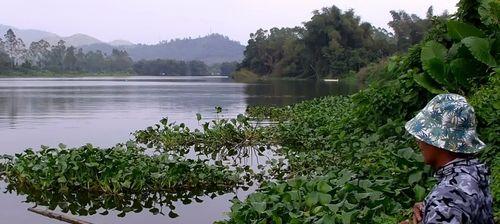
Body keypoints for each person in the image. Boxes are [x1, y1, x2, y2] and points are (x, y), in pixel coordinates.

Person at [401, 94, 494, 224]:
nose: (418, 141)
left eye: (424, 136)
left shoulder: (447, 197)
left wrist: (438, 207)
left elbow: (450, 203)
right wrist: (430, 208)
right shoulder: (472, 172)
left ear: (439, 141)